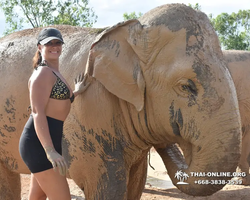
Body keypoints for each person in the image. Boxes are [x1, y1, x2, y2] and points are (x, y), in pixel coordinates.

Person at [19, 27, 90, 200]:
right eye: (48, 43)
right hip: (39, 145)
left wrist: (76, 92)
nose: (54, 46)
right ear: (39, 47)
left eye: (57, 42)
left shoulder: (53, 72)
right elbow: (37, 112)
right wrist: (50, 151)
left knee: (37, 197)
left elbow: (59, 101)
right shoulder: (42, 73)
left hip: (47, 142)